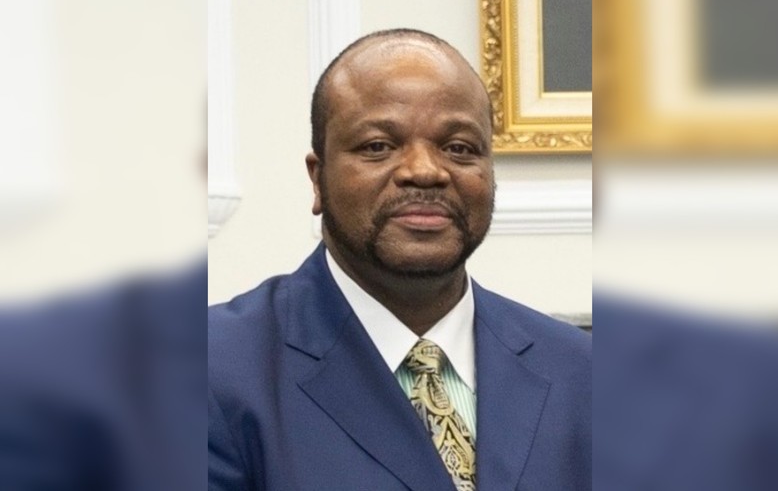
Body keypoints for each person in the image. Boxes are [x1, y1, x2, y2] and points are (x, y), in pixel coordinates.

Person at [208, 29, 591, 491]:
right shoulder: (210, 370)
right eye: (377, 146)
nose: (425, 171)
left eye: (459, 148)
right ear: (318, 178)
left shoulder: (586, 373)